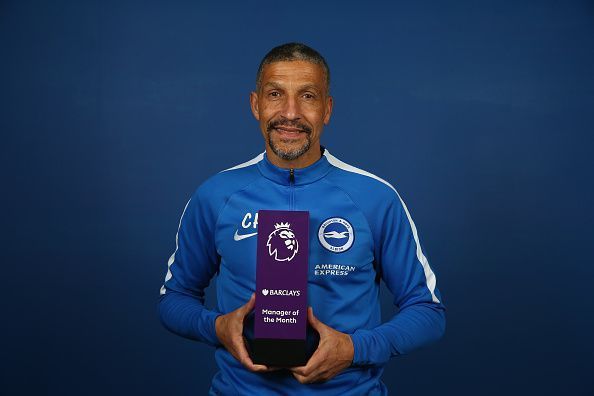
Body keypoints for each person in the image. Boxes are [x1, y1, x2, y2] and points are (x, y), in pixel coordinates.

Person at [158, 42, 445, 395]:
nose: (290, 112)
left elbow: (427, 311)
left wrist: (355, 349)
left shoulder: (375, 198)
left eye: (307, 96)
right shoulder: (216, 196)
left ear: (327, 109)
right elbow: (175, 298)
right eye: (275, 94)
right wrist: (215, 327)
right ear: (255, 105)